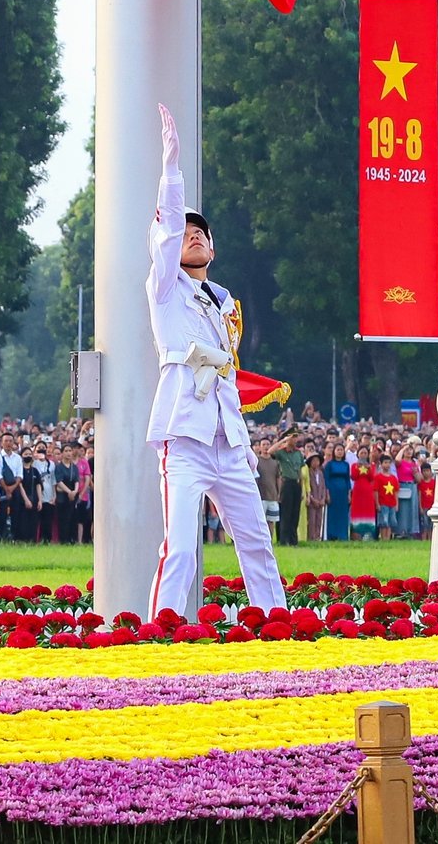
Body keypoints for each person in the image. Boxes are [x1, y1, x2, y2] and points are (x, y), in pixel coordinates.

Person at [143, 104, 286, 613]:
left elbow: (226, 378)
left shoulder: (223, 301)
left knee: (257, 545)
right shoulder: (165, 288)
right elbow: (164, 237)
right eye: (185, 231)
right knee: (181, 548)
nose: (193, 235)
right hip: (185, 438)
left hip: (227, 438)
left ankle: (278, 625)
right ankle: (160, 634)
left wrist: (244, 442)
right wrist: (172, 171)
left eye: (201, 232)